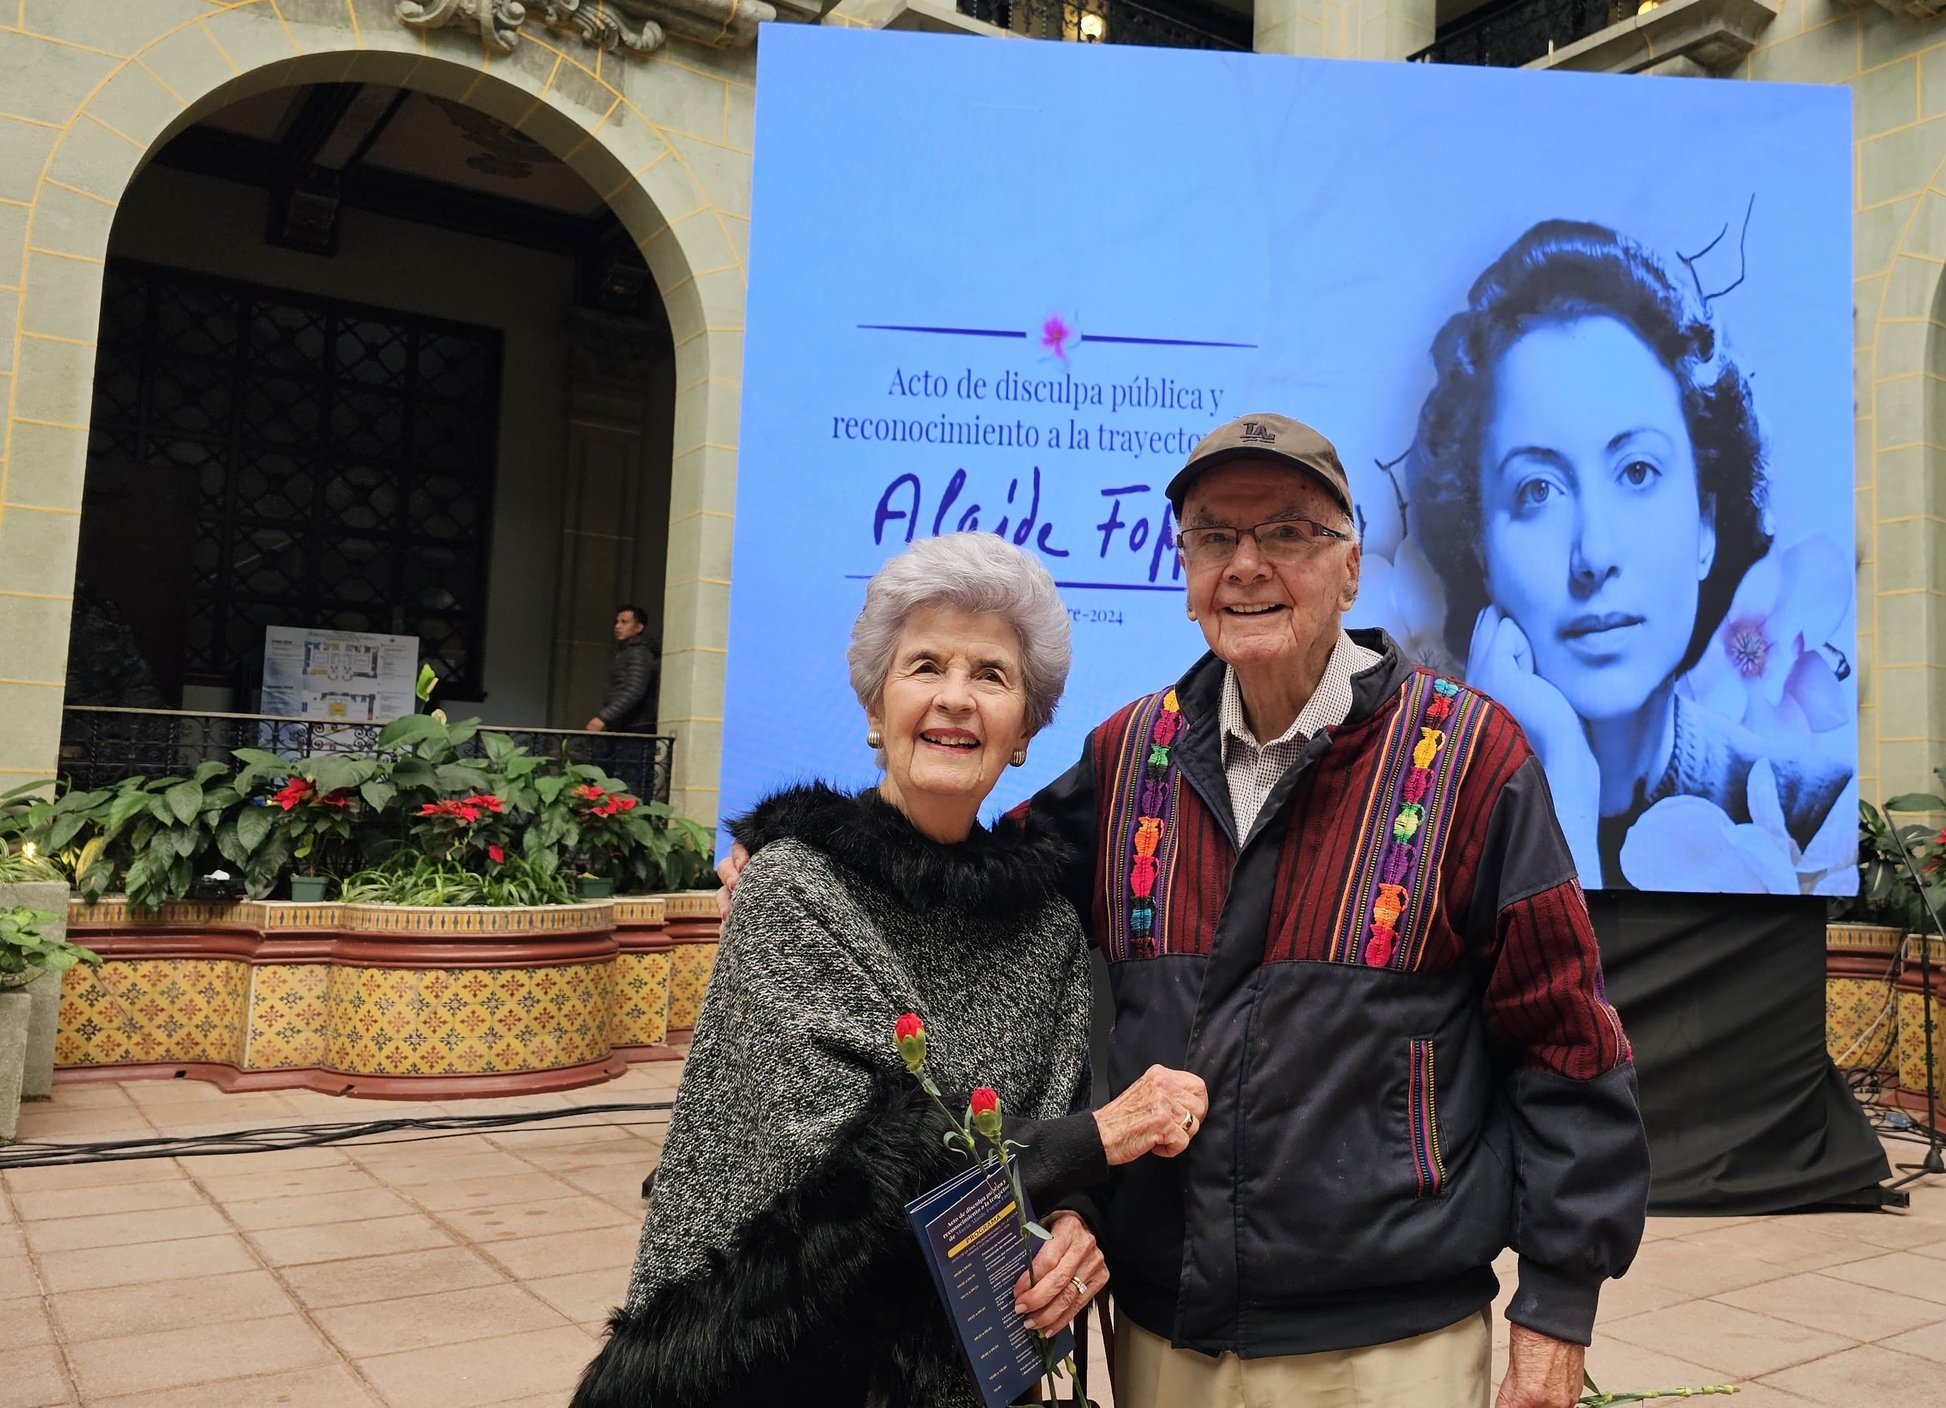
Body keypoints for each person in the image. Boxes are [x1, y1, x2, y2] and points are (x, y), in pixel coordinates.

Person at [723, 416, 1648, 1408]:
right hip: (1163, 1344)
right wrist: (811, 847)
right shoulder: (1131, 757)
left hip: (1387, 1348)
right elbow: (967, 889)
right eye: (1214, 537)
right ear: (1187, 571)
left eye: (1287, 532)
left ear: (1350, 566)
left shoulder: (1470, 757)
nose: (1246, 565)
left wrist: (1556, 1307)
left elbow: (1565, 1044)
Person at [577, 534, 1207, 1408]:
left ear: (1026, 728)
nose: (956, 698)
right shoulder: (796, 888)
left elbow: (1053, 1129)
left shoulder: (1047, 928)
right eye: (925, 666)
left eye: (991, 675)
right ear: (876, 704)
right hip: (799, 1366)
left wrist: (1074, 1223)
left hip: (976, 1371)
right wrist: (1098, 1139)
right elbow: (845, 1179)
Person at [1406, 219, 1851, 892]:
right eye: (1537, 489)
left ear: (1706, 521)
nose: (1594, 554)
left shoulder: (1814, 818)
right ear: (1480, 547)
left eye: (1637, 471)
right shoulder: (1406, 824)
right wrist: (1551, 770)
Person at [586, 605, 658, 733]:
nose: (617, 626)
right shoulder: (627, 651)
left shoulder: (639, 653)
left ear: (638, 628)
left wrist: (604, 717)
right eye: (617, 622)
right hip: (624, 723)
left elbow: (634, 690)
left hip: (635, 726)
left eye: (624, 622)